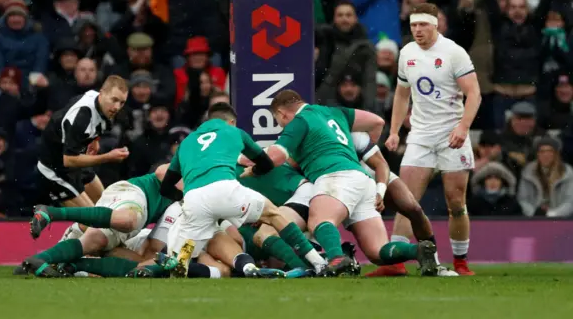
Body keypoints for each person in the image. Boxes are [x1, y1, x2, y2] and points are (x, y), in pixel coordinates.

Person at [246, 90, 438, 276]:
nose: (280, 125)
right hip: (362, 179)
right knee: (377, 252)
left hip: (335, 177)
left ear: (280, 113)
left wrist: (255, 169)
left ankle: (337, 259)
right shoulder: (334, 112)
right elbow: (377, 121)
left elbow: (276, 157)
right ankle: (418, 250)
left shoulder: (299, 121)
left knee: (319, 221)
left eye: (277, 120)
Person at [158, 102, 328, 277]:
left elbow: (165, 188)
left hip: (194, 200)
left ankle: (170, 267)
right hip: (226, 189)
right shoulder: (234, 132)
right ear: (231, 122)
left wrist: (184, 198)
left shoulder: (186, 142)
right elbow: (266, 163)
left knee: (179, 264)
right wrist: (253, 171)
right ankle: (318, 263)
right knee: (273, 214)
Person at [385, 3, 482, 276]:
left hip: (452, 133)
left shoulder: (454, 53)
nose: (417, 30)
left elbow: (474, 94)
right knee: (406, 200)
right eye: (414, 25)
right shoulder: (407, 53)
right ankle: (395, 262)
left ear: (435, 24)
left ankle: (460, 262)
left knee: (455, 202)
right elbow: (402, 94)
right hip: (420, 135)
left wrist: (463, 128)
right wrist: (394, 131)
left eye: (423, 25)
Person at [20, 164, 174, 277]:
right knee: (128, 220)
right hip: (137, 194)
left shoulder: (183, 210)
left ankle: (41, 260)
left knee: (97, 241)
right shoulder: (193, 174)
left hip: (140, 218)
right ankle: (52, 213)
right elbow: (161, 172)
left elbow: (151, 253)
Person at [35, 74, 130, 248]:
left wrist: (94, 141)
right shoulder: (82, 116)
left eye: (122, 102)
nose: (117, 107)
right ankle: (61, 252)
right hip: (56, 170)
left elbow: (97, 126)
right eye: (114, 100)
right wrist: (108, 157)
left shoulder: (104, 106)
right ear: (102, 93)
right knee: (93, 222)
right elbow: (69, 160)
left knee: (106, 205)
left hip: (76, 161)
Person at [351, 131, 457, 277]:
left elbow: (377, 123)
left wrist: (393, 132)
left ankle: (434, 265)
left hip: (368, 172)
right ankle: (322, 261)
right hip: (336, 180)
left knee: (414, 209)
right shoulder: (312, 129)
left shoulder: (346, 122)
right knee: (376, 253)